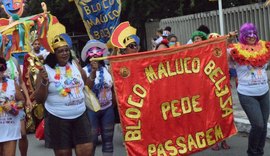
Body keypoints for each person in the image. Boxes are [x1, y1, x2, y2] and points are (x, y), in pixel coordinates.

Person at [35, 35, 93, 156]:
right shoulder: (45, 70)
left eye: (66, 50)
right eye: (60, 51)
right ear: (53, 53)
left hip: (80, 115)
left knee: (87, 149)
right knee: (64, 153)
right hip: (57, 117)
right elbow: (39, 99)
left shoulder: (75, 64)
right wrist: (44, 81)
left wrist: (93, 73)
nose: (65, 53)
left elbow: (87, 86)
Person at [229, 23, 270, 156]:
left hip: (264, 91)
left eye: (253, 33)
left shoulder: (264, 47)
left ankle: (259, 152)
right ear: (243, 35)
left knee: (263, 126)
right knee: (258, 124)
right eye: (248, 34)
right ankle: (252, 153)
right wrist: (227, 39)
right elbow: (218, 54)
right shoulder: (235, 50)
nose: (252, 36)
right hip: (247, 93)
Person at [81, 40, 114, 156]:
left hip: (108, 108)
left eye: (97, 54)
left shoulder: (108, 70)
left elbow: (115, 88)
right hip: (91, 110)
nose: (95, 56)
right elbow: (86, 88)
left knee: (108, 139)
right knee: (92, 140)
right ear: (87, 56)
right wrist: (93, 73)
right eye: (92, 53)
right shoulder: (83, 71)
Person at [0, 56, 25, 156]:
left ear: (5, 69)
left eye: (1, 68)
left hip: (10, 129)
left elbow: (22, 101)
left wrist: (13, 106)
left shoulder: (12, 84)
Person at [22, 37, 47, 132]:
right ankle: (34, 126)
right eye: (35, 44)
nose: (37, 45)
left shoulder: (44, 55)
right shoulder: (28, 56)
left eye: (38, 44)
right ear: (32, 45)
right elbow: (25, 71)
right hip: (32, 81)